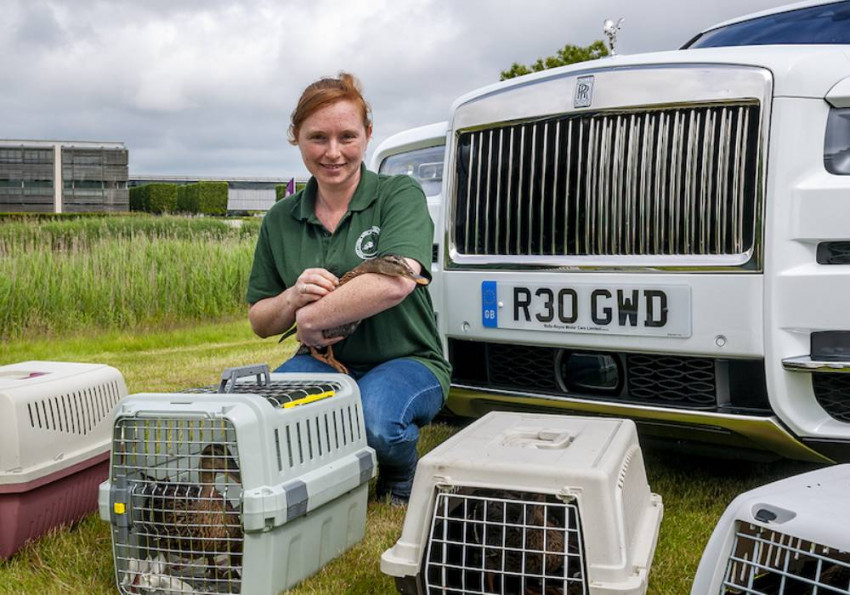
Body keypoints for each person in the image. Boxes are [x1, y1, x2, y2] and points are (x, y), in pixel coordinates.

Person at [245, 73, 450, 505]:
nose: (333, 152)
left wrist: (311, 318)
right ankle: (325, 479)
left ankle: (399, 468)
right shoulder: (280, 219)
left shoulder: (398, 193)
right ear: (295, 138)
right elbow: (260, 321)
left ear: (368, 134)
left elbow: (396, 281)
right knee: (263, 417)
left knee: (375, 422)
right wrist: (291, 297)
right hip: (323, 362)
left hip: (407, 359)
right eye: (317, 137)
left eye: (347, 136)